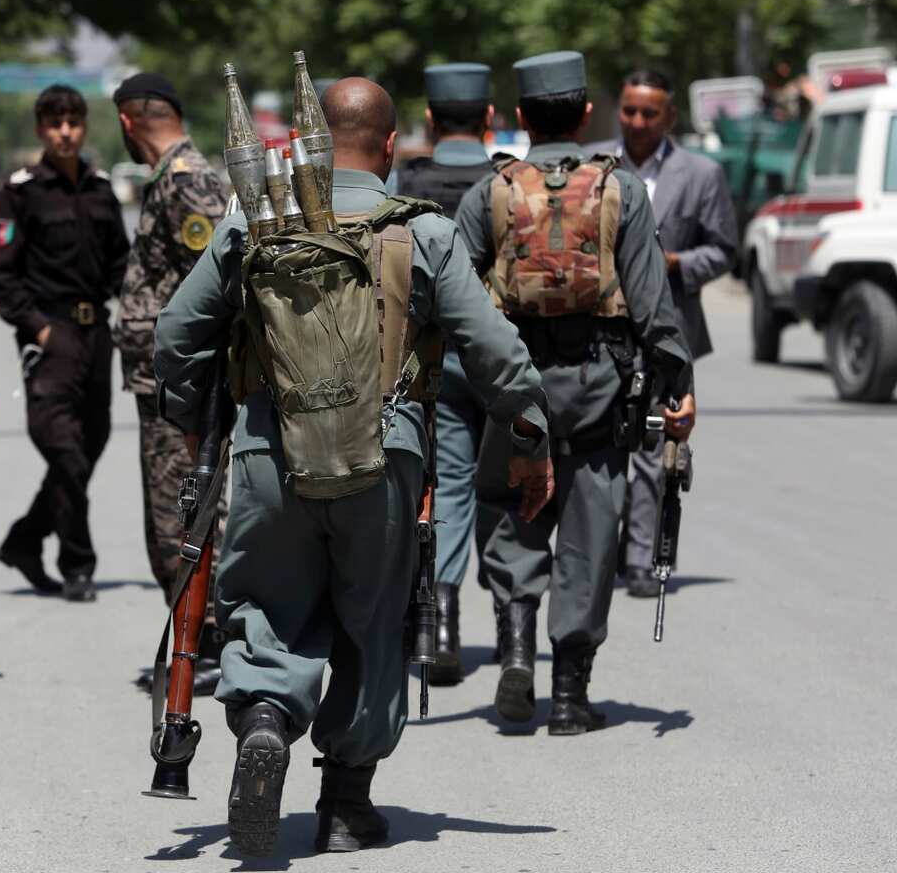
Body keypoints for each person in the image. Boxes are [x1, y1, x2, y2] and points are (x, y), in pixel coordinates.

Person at [155, 77, 552, 855]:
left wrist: (192, 408)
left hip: (273, 452)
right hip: (385, 457)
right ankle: (345, 803)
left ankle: (266, 716)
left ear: (311, 138)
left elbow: (175, 334)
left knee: (266, 604)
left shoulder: (254, 222)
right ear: (393, 143)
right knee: (374, 626)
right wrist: (531, 439)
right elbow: (497, 356)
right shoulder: (424, 234)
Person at [455, 52, 695, 736]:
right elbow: (653, 304)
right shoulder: (622, 188)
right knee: (592, 527)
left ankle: (517, 650)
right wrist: (675, 385)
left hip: (515, 387)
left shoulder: (492, 191)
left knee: (511, 510)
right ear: (588, 113)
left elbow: (455, 291)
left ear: (523, 116)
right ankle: (567, 697)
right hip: (600, 386)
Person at [586, 68, 737, 597]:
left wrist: (674, 263)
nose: (637, 121)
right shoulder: (593, 166)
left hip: (669, 328)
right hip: (602, 329)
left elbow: (724, 250)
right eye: (629, 110)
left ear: (669, 117)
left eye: (649, 113)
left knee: (657, 441)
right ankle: (599, 555)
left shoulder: (702, 175)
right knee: (603, 445)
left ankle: (642, 561)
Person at [0, 84, 129, 602]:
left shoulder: (100, 187)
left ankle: (25, 540)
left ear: (84, 126)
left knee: (91, 445)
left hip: (98, 337)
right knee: (65, 451)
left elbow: (120, 264)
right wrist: (38, 328)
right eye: (54, 123)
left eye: (72, 121)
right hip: (52, 336)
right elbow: (2, 277)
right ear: (40, 129)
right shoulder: (20, 192)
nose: (65, 131)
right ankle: (78, 563)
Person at [111, 73, 229, 691]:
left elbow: (212, 286)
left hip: (180, 389)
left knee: (181, 519)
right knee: (171, 520)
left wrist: (193, 389)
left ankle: (208, 644)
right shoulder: (170, 179)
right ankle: (197, 640)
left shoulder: (187, 181)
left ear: (128, 122)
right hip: (162, 383)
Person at [393, 62, 496, 685]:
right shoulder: (507, 181)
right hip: (499, 354)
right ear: (488, 118)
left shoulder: (407, 184)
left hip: (435, 360)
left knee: (449, 486)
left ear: (430, 120)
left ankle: (443, 622)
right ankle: (517, 632)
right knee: (511, 491)